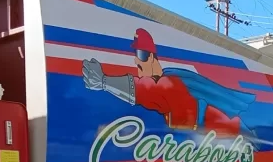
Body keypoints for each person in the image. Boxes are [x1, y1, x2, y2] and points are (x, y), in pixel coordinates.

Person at [82, 28, 257, 135]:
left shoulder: (172, 83)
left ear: (152, 57)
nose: (137, 62)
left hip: (237, 138)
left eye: (141, 55)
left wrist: (104, 81)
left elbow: (147, 90)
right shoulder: (170, 80)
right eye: (136, 55)